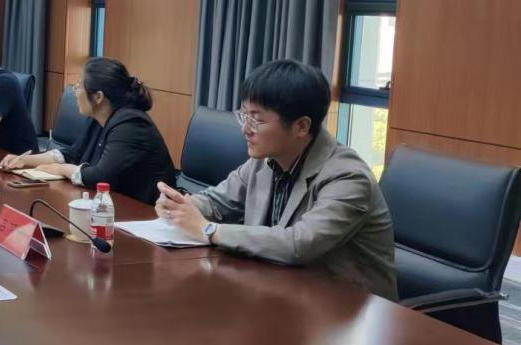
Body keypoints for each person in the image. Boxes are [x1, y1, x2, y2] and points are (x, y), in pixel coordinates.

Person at [154, 59, 397, 300]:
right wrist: (180, 206)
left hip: (348, 308)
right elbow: (218, 201)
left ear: (301, 126)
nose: (245, 129)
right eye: (245, 115)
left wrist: (209, 230)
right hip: (280, 292)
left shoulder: (348, 177)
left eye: (257, 119)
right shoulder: (265, 160)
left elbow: (299, 244)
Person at [0, 57, 176, 203]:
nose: (75, 92)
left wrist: (62, 170)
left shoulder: (131, 125)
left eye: (79, 86)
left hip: (145, 213)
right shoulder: (98, 118)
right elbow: (72, 154)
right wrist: (25, 160)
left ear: (98, 97)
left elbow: (101, 177)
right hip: (111, 205)